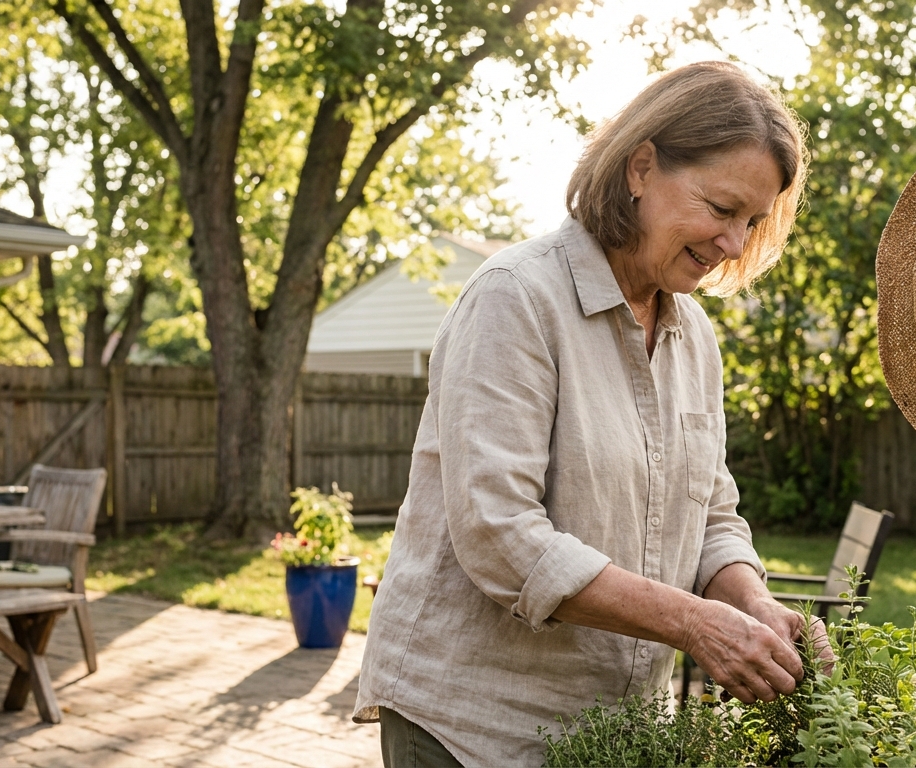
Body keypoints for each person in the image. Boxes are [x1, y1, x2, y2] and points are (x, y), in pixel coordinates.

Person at [353, 60, 832, 767]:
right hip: (473, 728)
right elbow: (499, 533)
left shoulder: (692, 335)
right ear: (641, 167)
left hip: (609, 734)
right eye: (722, 209)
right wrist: (695, 623)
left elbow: (711, 518)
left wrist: (751, 603)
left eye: (753, 222)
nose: (734, 244)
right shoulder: (516, 297)